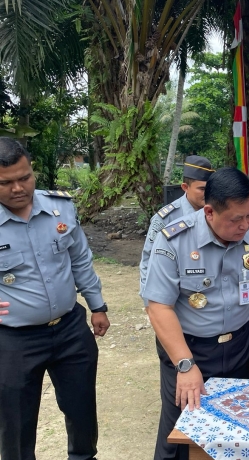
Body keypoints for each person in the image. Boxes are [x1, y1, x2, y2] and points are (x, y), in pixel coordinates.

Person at [142, 167, 249, 460]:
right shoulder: (174, 240)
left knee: (242, 428)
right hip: (190, 349)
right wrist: (185, 365)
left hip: (242, 345)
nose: (246, 224)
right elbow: (158, 305)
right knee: (181, 433)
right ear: (209, 212)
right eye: (236, 218)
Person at [0, 138, 109, 460]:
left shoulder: (60, 207)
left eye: (25, 177)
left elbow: (79, 260)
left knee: (82, 412)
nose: (18, 188)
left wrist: (97, 305)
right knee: (16, 424)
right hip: (14, 340)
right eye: (5, 182)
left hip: (70, 330)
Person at [139, 155, 214, 302]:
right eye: (202, 189)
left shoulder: (216, 211)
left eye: (211, 188)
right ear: (185, 187)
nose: (208, 193)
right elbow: (148, 260)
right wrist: (150, 303)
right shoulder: (166, 218)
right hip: (177, 295)